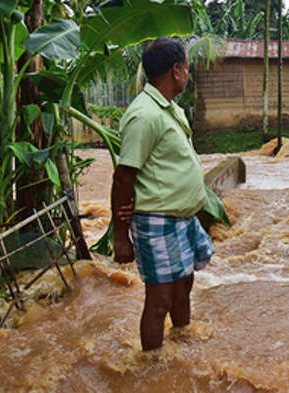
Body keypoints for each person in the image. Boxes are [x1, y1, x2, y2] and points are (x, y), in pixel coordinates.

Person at [111, 37, 215, 351]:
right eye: (186, 66)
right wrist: (120, 237)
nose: (188, 72)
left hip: (183, 218)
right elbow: (123, 177)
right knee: (159, 301)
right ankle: (152, 370)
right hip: (158, 220)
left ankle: (182, 345)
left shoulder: (169, 108)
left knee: (184, 286)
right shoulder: (144, 116)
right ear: (176, 70)